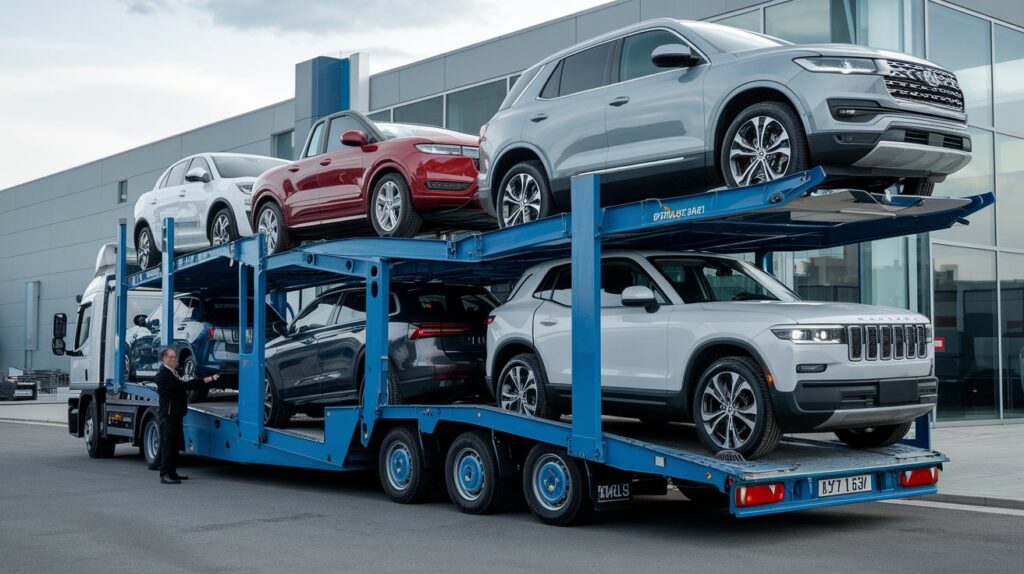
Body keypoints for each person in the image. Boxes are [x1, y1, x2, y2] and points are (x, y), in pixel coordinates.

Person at [153, 347, 217, 484]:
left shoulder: (174, 372)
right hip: (168, 415)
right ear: (164, 359)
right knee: (167, 445)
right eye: (171, 357)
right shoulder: (164, 374)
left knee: (175, 445)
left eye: (175, 357)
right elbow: (184, 386)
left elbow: (184, 383)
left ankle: (173, 472)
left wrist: (204, 380)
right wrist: (205, 380)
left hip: (176, 414)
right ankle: (164, 474)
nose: (174, 360)